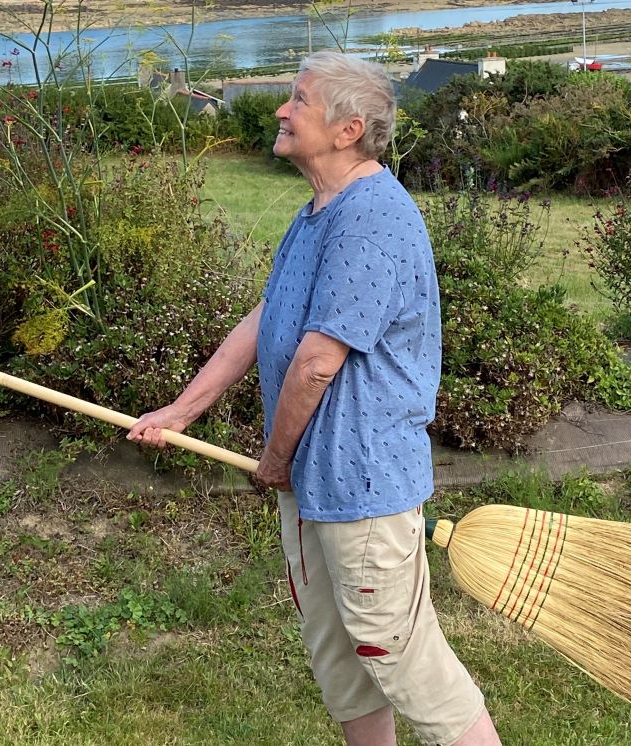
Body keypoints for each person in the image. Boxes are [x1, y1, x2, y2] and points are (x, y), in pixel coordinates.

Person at [127, 51, 500, 746]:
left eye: (298, 101)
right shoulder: (318, 212)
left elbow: (316, 364)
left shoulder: (371, 219)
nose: (280, 110)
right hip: (311, 482)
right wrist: (181, 410)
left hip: (361, 484)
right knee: (341, 661)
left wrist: (273, 457)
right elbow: (267, 319)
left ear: (348, 128)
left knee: (403, 660)